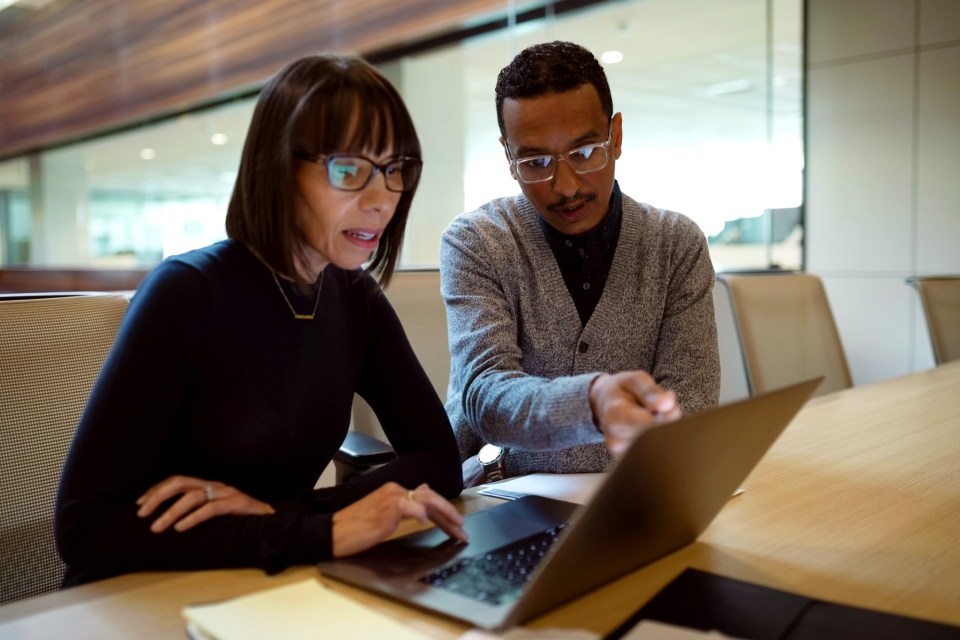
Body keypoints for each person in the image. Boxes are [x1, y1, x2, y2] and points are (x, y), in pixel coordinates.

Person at [55, 53, 466, 586]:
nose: (381, 200)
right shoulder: (188, 291)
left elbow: (439, 458)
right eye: (349, 169)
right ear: (279, 167)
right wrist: (324, 531)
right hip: (141, 595)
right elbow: (84, 527)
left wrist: (293, 515)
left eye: (394, 170)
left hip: (268, 580)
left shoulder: (354, 296)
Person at [440, 41, 720, 486]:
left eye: (586, 152)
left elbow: (691, 404)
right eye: (535, 162)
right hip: (502, 493)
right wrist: (591, 402)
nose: (566, 187)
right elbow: (485, 394)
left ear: (617, 136)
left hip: (634, 495)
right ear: (509, 159)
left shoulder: (675, 244)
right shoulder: (477, 242)